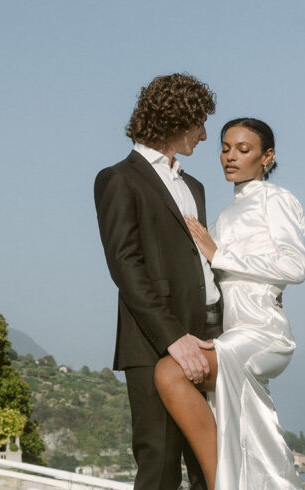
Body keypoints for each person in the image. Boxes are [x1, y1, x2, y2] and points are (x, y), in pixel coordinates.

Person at [154, 118, 305, 489]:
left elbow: (295, 266)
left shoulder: (277, 199)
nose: (230, 157)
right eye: (225, 148)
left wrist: (219, 255)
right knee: (245, 431)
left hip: (264, 332)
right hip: (231, 330)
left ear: (266, 157)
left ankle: (217, 481)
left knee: (170, 371)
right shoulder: (223, 216)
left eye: (244, 149)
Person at [94, 73, 220, 490]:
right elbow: (125, 266)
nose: (204, 135)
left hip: (210, 337)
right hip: (151, 343)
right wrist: (172, 338)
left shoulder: (194, 187)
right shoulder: (118, 179)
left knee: (212, 465)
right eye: (199, 122)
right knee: (160, 466)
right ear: (176, 120)